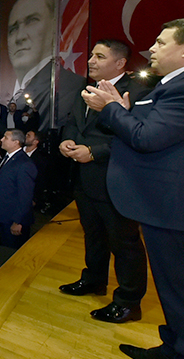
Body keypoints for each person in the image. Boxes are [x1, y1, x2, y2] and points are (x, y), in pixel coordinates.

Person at [81, 18, 184, 359]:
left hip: (179, 208)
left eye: (162, 43)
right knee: (173, 290)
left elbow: (146, 138)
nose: (152, 48)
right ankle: (174, 348)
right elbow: (154, 129)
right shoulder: (178, 85)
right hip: (168, 206)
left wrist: (112, 110)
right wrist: (123, 111)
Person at [58, 39, 149, 324]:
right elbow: (74, 122)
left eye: (100, 56)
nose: (91, 61)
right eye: (92, 55)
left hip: (117, 182)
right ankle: (94, 280)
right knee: (93, 234)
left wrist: (94, 153)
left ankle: (128, 302)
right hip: (86, 180)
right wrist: (67, 141)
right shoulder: (86, 89)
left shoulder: (138, 92)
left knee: (124, 243)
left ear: (120, 63)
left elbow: (138, 137)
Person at [4, 0, 85, 131]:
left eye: (32, 21)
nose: (20, 36)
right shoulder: (16, 93)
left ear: (54, 27)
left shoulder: (70, 87)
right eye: (13, 29)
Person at [0, 129, 36, 249]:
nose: (1, 139)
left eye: (5, 137)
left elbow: (25, 195)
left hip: (13, 217)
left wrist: (18, 221)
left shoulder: (24, 164)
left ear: (16, 142)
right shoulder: (9, 157)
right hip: (3, 213)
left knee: (12, 249)